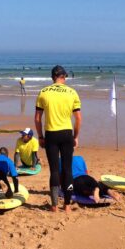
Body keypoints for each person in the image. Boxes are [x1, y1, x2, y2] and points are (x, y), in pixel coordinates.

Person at [35, 65, 82, 212]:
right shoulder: (72, 92)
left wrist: (40, 136)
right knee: (67, 170)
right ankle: (67, 205)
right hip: (67, 133)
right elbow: (78, 119)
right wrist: (75, 136)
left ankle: (54, 205)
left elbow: (37, 118)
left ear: (52, 77)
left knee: (54, 171)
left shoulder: (43, 92)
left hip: (51, 134)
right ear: (64, 76)